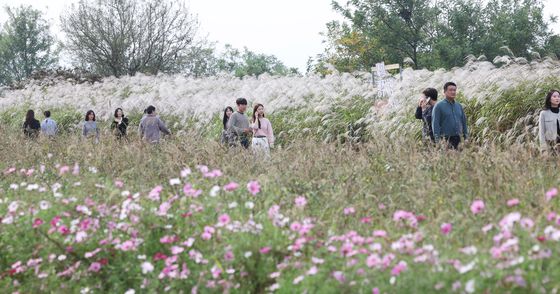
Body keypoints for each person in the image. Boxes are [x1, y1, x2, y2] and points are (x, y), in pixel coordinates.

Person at [432, 82, 468, 150]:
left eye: (454, 90)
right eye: (450, 90)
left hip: (459, 139)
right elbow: (435, 124)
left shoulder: (459, 106)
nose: (453, 92)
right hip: (446, 140)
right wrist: (438, 142)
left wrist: (466, 137)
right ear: (444, 92)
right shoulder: (438, 106)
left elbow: (464, 122)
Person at [538, 90, 560, 154]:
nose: (557, 98)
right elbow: (541, 132)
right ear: (549, 99)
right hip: (551, 145)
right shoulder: (543, 113)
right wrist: (543, 148)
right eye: (554, 96)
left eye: (559, 96)